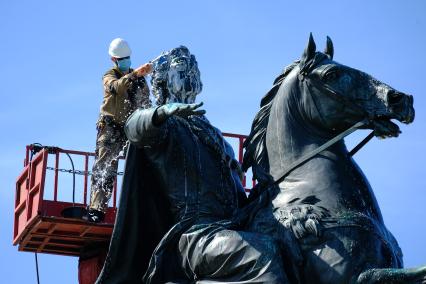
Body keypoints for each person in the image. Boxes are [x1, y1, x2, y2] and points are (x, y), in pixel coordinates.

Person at [95, 46, 288, 283]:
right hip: (197, 235)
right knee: (264, 255)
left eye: (193, 69)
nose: (191, 74)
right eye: (181, 69)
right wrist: (161, 113)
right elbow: (134, 128)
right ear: (163, 81)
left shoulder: (214, 134)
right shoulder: (164, 124)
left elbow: (238, 194)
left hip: (234, 226)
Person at [88, 38, 153, 222]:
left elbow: (146, 102)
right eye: (122, 58)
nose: (126, 62)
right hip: (110, 127)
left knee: (143, 164)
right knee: (105, 167)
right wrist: (135, 75)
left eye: (127, 58)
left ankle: (143, 208)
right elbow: (115, 87)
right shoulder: (110, 75)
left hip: (129, 128)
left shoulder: (138, 79)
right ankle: (97, 209)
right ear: (114, 60)